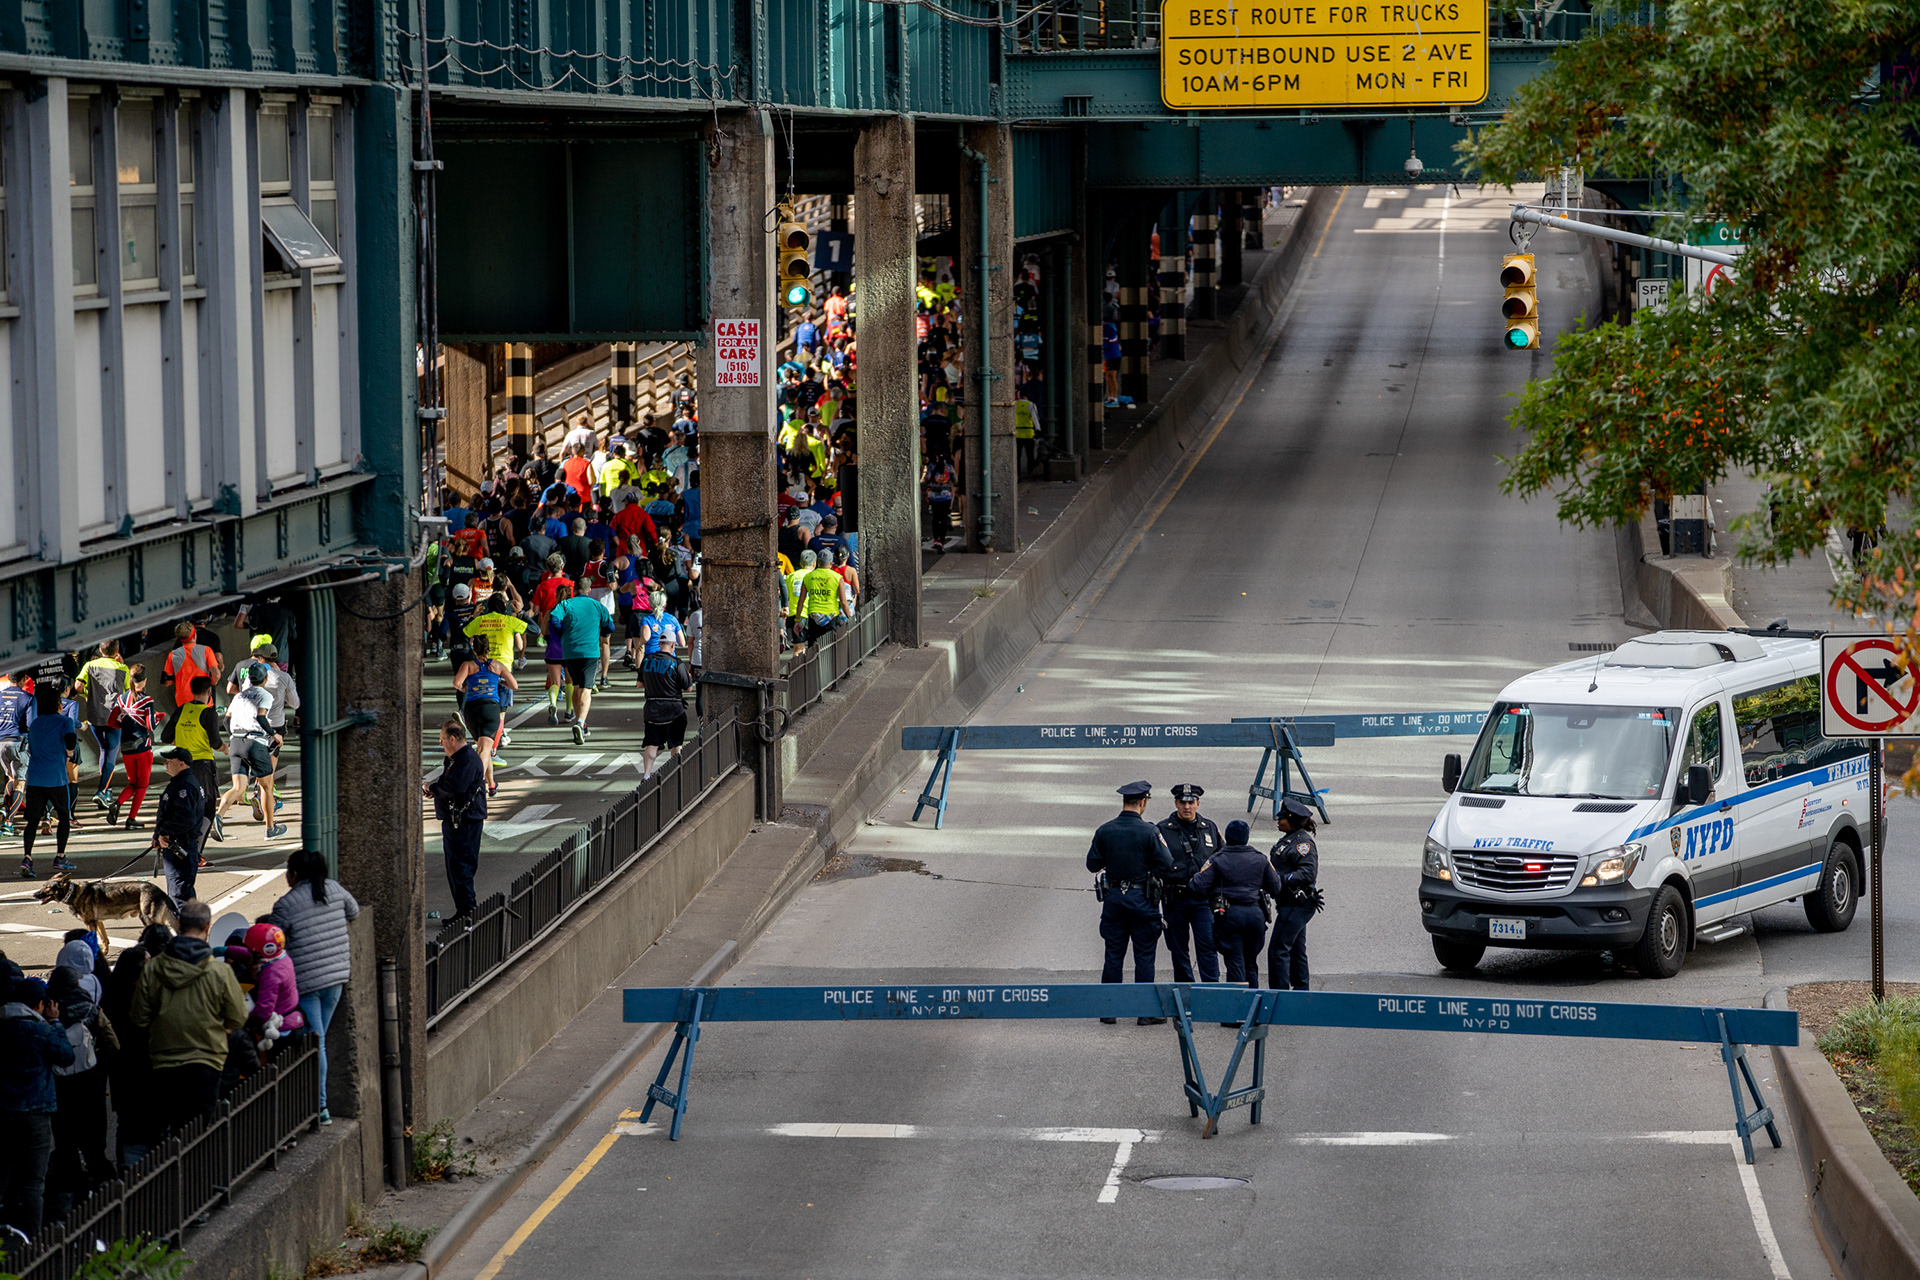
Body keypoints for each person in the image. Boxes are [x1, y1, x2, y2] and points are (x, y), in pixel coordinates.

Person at [130, 900, 247, 1138]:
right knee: (200, 1132)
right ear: (208, 927)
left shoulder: (152, 969)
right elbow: (238, 1018)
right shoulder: (220, 972)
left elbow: (139, 1018)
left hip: (164, 1061)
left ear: (180, 924)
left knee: (170, 1129)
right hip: (207, 1062)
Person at [267, 850, 359, 1124]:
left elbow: (273, 936)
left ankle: (320, 1107)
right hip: (336, 980)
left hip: (307, 984)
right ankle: (315, 1103)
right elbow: (353, 911)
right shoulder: (334, 889)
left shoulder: (286, 904)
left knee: (316, 1043)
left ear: (294, 874)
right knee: (318, 1041)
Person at [1085, 781, 1175, 1024]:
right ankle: (1145, 1012)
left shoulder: (1105, 830)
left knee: (1113, 955)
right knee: (1144, 956)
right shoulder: (1149, 831)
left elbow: (1092, 864)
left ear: (1124, 802)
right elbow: (1167, 864)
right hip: (1142, 900)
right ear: (1144, 801)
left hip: (1114, 900)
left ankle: (1109, 1010)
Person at [0, 975, 74, 1239]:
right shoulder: (43, 1030)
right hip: (35, 1113)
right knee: (33, 1184)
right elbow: (66, 1056)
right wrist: (55, 1022)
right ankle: (29, 1241)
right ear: (41, 1004)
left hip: (3, 1112)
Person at [1190, 820, 1287, 995]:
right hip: (1255, 915)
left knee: (1235, 961)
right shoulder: (1260, 858)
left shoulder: (1217, 859)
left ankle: (1236, 1012)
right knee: (1250, 961)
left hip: (1229, 915)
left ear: (1227, 837)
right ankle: (1253, 1007)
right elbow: (1276, 887)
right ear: (1246, 838)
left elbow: (1197, 886)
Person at [1157, 783, 1222, 984]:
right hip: (1175, 899)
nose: (1187, 807)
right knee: (1178, 949)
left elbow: (1221, 859)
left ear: (1198, 803)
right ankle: (1185, 995)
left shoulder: (1210, 828)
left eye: (1191, 802)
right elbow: (1156, 863)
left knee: (1208, 946)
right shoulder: (1161, 829)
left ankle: (1212, 993)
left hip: (1202, 900)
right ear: (1176, 803)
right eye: (1183, 802)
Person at [425, 720, 487, 925]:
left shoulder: (467, 760)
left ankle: (467, 911)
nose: (441, 744)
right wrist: (434, 788)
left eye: (442, 740)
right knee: (455, 866)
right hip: (455, 820)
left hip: (466, 821)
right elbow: (447, 783)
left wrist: (434, 789)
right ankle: (463, 909)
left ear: (453, 738)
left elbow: (456, 787)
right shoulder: (455, 759)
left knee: (462, 866)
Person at [214, 663, 283, 839]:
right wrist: (275, 734)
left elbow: (226, 722)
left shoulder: (238, 697)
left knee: (238, 787)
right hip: (255, 743)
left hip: (236, 742)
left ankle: (219, 816)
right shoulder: (265, 695)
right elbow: (261, 717)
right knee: (267, 787)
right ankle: (270, 829)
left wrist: (234, 737)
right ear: (265, 679)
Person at [20, 683, 77, 879]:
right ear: (58, 704)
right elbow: (70, 741)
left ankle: (27, 857)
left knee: (32, 821)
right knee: (63, 815)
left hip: (35, 778)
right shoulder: (64, 721)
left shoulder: (35, 723)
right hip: (56, 778)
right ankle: (60, 856)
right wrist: (68, 754)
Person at [548, 581, 613, 744]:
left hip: (570, 651)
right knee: (586, 690)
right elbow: (610, 626)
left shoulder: (565, 603)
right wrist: (600, 631)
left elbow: (554, 619)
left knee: (576, 687)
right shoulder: (597, 605)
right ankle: (580, 722)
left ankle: (582, 725)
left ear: (574, 589)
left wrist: (564, 632)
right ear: (589, 590)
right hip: (590, 651)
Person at [1267, 798, 1321, 991]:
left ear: (1292, 820)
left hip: (1297, 904)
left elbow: (1307, 873)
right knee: (1297, 949)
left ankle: (1279, 995)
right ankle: (1300, 991)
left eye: (1282, 817)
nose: (1278, 820)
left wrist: (1279, 878)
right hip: (1289, 903)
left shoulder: (1303, 844)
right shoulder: (1290, 838)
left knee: (1278, 950)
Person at [163, 675, 224, 838]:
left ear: (191, 691)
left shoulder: (181, 709)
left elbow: (165, 737)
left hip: (182, 767)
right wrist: (225, 748)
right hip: (202, 766)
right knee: (206, 809)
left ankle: (182, 846)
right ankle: (196, 853)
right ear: (209, 692)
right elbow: (215, 742)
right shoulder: (208, 713)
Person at [453, 636, 516, 795]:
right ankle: (474, 784)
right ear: (488, 649)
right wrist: (500, 682)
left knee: (484, 749)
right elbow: (514, 685)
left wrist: (464, 687)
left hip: (472, 710)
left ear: (474, 650)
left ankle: (491, 784)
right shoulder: (497, 665)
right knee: (484, 749)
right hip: (490, 708)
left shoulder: (468, 665)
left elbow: (456, 683)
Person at [76, 639, 129, 808]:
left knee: (103, 750)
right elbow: (128, 692)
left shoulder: (89, 666)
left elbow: (77, 686)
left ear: (100, 649)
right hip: (114, 716)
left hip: (94, 715)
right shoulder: (122, 668)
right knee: (112, 753)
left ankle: (108, 790)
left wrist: (87, 695)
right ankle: (101, 791)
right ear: (117, 650)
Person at [152, 748, 208, 903]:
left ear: (182, 764)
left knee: (180, 896)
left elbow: (184, 819)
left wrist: (164, 832)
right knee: (180, 892)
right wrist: (158, 834)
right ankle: (188, 925)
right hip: (177, 846)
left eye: (170, 761)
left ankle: (186, 927)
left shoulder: (185, 787)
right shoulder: (180, 783)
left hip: (181, 846)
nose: (165, 764)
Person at [109, 664, 160, 829]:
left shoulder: (121, 699)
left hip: (126, 747)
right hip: (142, 747)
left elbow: (111, 721)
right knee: (142, 785)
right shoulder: (147, 700)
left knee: (132, 783)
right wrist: (158, 717)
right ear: (144, 681)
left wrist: (124, 726)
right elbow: (150, 725)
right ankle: (131, 819)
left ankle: (117, 803)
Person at [639, 637, 692, 780]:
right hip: (673, 709)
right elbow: (688, 687)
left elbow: (639, 684)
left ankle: (646, 774)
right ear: (673, 645)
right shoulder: (676, 663)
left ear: (659, 644)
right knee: (676, 743)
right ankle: (676, 771)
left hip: (652, 708)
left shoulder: (646, 660)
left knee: (652, 743)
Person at [162, 620, 222, 710]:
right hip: (202, 697)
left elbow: (167, 682)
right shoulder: (206, 650)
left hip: (182, 700)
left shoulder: (172, 655)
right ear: (194, 635)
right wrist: (212, 682)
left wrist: (180, 677)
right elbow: (216, 675)